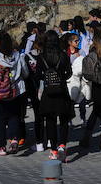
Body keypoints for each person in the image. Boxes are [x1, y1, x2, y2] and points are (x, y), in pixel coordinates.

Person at [0, 31, 28, 156]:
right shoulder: (18, 56)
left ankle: (2, 146)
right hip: (15, 91)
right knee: (14, 116)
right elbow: (25, 73)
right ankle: (14, 140)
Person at [35, 31, 74, 161]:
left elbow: (37, 75)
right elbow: (69, 73)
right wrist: (60, 77)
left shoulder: (41, 57)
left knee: (50, 121)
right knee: (64, 119)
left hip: (48, 92)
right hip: (61, 90)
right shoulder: (63, 55)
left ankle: (53, 150)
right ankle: (62, 145)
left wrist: (47, 77)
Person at [63, 32, 90, 127]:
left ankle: (83, 118)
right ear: (70, 42)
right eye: (75, 41)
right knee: (70, 101)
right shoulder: (65, 53)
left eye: (78, 40)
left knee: (82, 100)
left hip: (80, 79)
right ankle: (69, 119)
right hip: (70, 80)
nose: (78, 42)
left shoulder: (81, 52)